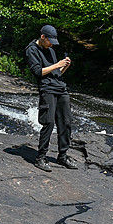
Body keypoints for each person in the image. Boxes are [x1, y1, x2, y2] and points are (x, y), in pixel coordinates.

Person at [25, 24, 77, 171]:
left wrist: (64, 65)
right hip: (47, 90)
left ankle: (63, 156)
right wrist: (56, 65)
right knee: (48, 123)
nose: (51, 45)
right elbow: (38, 72)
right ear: (43, 37)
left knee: (66, 122)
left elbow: (57, 73)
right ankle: (40, 158)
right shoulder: (32, 50)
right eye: (50, 41)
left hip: (60, 88)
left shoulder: (51, 50)